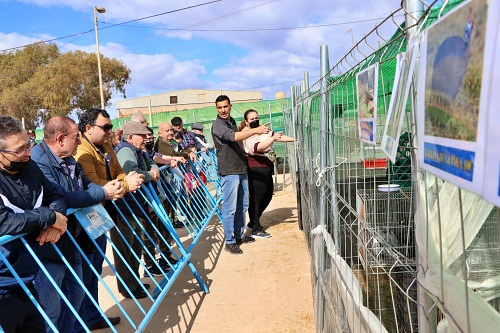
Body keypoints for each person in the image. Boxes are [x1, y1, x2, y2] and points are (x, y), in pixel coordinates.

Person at [30, 116, 124, 333]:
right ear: (61, 139)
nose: (80, 142)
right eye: (76, 137)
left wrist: (101, 191)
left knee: (76, 296)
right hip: (48, 247)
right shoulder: (38, 160)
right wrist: (103, 192)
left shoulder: (71, 160)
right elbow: (61, 197)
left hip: (73, 240)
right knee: (51, 309)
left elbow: (88, 187)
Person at [74, 108, 143, 331]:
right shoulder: (82, 152)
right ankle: (83, 319)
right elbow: (95, 184)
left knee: (94, 269)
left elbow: (119, 172)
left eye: (110, 127)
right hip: (84, 220)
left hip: (101, 216)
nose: (109, 131)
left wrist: (119, 184)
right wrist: (123, 186)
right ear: (88, 128)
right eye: (105, 127)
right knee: (84, 273)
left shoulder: (106, 146)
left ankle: (92, 316)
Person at [0, 115, 68, 333]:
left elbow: (56, 195)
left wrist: (54, 219)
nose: (28, 152)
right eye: (19, 150)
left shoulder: (31, 167)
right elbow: (3, 222)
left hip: (25, 281)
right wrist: (48, 217)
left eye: (28, 144)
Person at [211, 95, 270, 254]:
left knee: (242, 205)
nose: (223, 110)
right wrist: (255, 130)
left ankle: (238, 235)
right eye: (219, 107)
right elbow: (233, 136)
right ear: (216, 109)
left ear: (230, 106)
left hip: (241, 169)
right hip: (229, 171)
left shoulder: (232, 122)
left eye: (225, 106)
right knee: (230, 208)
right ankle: (229, 241)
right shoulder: (218, 125)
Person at [113, 121, 160, 298]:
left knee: (134, 247)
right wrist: (150, 175)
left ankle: (134, 282)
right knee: (125, 249)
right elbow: (131, 171)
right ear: (131, 137)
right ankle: (127, 287)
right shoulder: (126, 151)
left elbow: (149, 162)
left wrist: (153, 169)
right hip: (124, 207)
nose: (146, 138)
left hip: (133, 206)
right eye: (142, 135)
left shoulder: (136, 150)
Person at [238, 109, 294, 239]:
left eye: (256, 118)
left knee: (267, 195)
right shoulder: (245, 133)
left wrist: (294, 139)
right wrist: (272, 138)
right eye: (252, 119)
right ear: (246, 122)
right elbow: (258, 147)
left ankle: (253, 223)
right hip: (254, 167)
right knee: (257, 199)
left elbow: (278, 137)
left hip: (265, 166)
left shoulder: (263, 130)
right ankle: (256, 228)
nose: (255, 120)